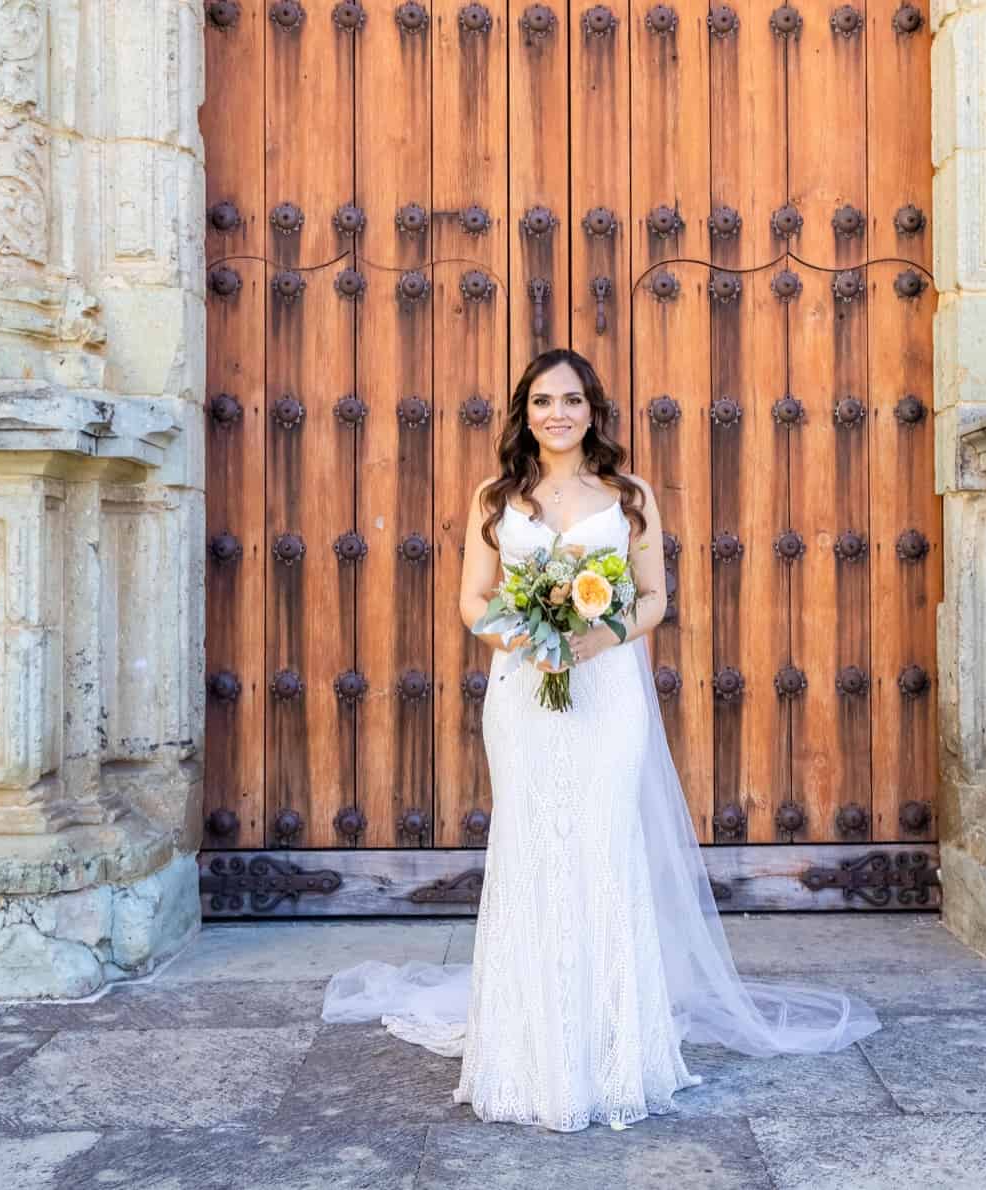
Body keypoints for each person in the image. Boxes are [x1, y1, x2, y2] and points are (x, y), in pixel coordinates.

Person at [321, 347, 881, 1132]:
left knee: (602, 846)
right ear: (525, 412)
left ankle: (615, 1045)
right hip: (523, 693)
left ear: (593, 411)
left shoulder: (629, 496)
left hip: (608, 689)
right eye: (544, 401)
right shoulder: (495, 495)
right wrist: (525, 637)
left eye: (573, 401)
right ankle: (529, 1050)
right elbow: (471, 601)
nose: (558, 414)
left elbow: (654, 597)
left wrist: (597, 635)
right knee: (532, 848)